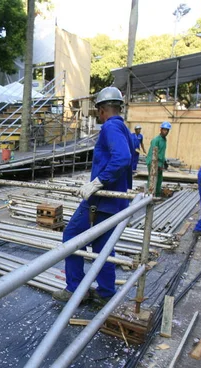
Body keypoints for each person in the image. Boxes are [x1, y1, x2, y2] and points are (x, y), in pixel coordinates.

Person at [52, 87, 133, 305]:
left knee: (72, 238)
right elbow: (130, 163)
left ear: (102, 110)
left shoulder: (110, 127)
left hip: (100, 201)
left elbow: (123, 158)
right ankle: (106, 292)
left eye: (98, 111)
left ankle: (75, 289)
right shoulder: (125, 129)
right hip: (115, 201)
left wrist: (99, 181)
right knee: (102, 247)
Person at [146, 122, 171, 197]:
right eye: (164, 130)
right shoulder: (156, 140)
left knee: (159, 179)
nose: (165, 132)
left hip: (160, 162)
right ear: (161, 129)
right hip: (153, 162)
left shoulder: (164, 140)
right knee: (152, 179)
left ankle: (156, 195)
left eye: (167, 130)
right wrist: (156, 165)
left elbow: (162, 152)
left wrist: (165, 162)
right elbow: (153, 153)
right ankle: (149, 196)